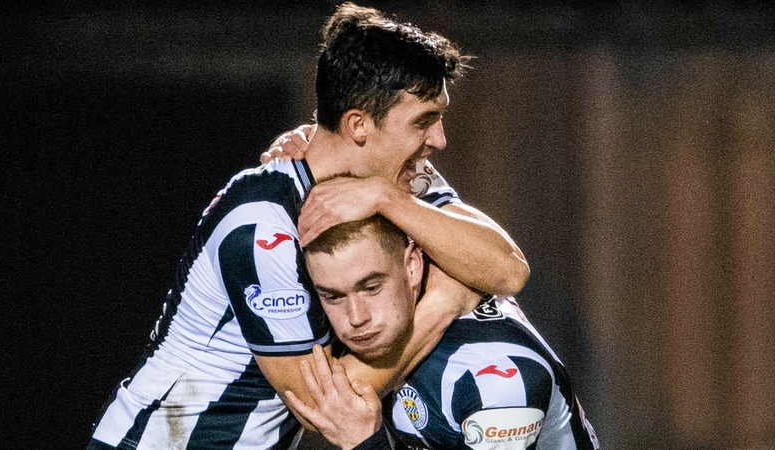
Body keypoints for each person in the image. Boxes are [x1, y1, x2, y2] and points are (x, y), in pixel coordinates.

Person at [87, 3, 528, 449]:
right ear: (358, 125)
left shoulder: (392, 180)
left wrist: (386, 198)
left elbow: (507, 270)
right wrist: (445, 299)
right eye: (423, 121)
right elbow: (326, 406)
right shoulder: (262, 222)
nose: (439, 139)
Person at [288, 215, 599, 450]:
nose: (355, 318)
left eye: (371, 287)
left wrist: (364, 444)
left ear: (412, 266)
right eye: (333, 296)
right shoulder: (386, 318)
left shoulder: (498, 381)